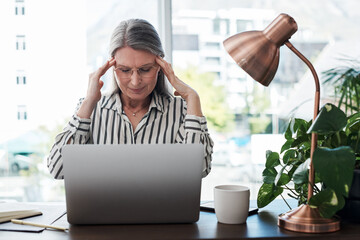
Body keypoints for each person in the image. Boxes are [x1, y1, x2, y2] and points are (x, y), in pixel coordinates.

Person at [47, 19, 213, 179]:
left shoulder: (182, 110)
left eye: (145, 69)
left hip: (160, 208)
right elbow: (58, 168)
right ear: (112, 67)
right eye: (125, 70)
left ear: (160, 66)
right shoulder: (92, 109)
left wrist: (192, 97)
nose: (135, 81)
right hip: (104, 208)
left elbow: (198, 170)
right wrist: (89, 102)